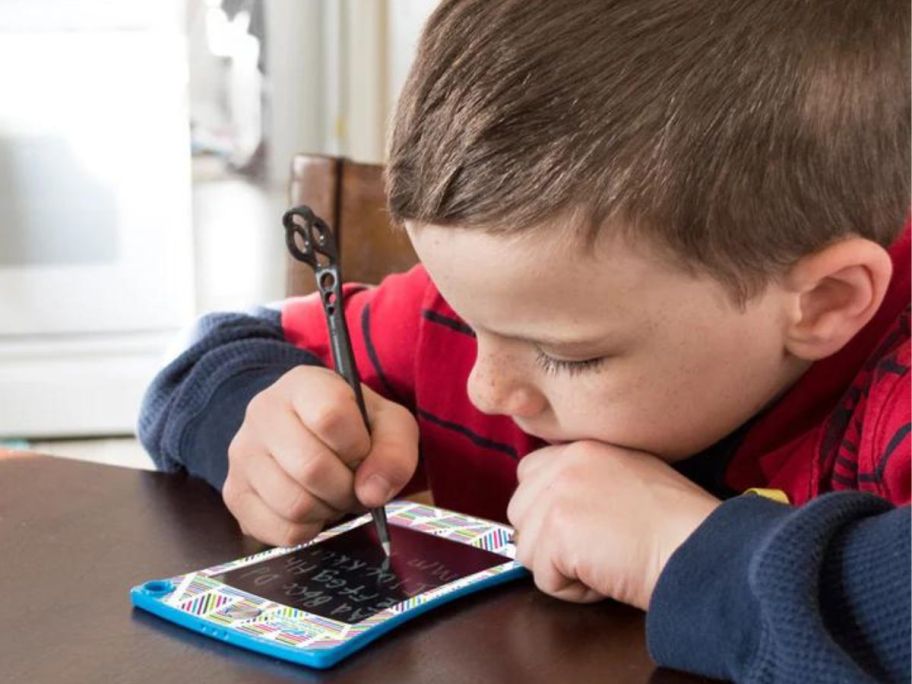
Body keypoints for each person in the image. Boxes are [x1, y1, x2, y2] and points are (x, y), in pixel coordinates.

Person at [138, 1, 911, 681]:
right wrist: (263, 421)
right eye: (470, 315)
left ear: (823, 302)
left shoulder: (894, 387)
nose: (485, 386)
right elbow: (213, 356)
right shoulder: (469, 322)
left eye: (569, 356)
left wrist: (678, 552)